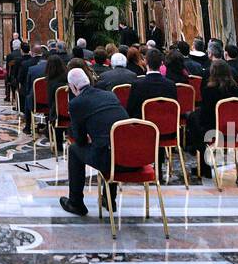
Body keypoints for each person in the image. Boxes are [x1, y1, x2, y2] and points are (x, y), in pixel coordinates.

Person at [59, 68, 128, 216]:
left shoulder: (77, 103)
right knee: (114, 143)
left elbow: (80, 139)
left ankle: (76, 203)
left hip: (108, 159)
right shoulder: (110, 95)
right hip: (129, 155)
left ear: (73, 87)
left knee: (74, 150)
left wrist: (89, 137)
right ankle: (110, 199)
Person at [127, 47, 177, 118]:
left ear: (146, 62)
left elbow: (130, 110)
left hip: (145, 126)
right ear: (161, 63)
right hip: (166, 127)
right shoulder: (171, 85)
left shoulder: (137, 85)